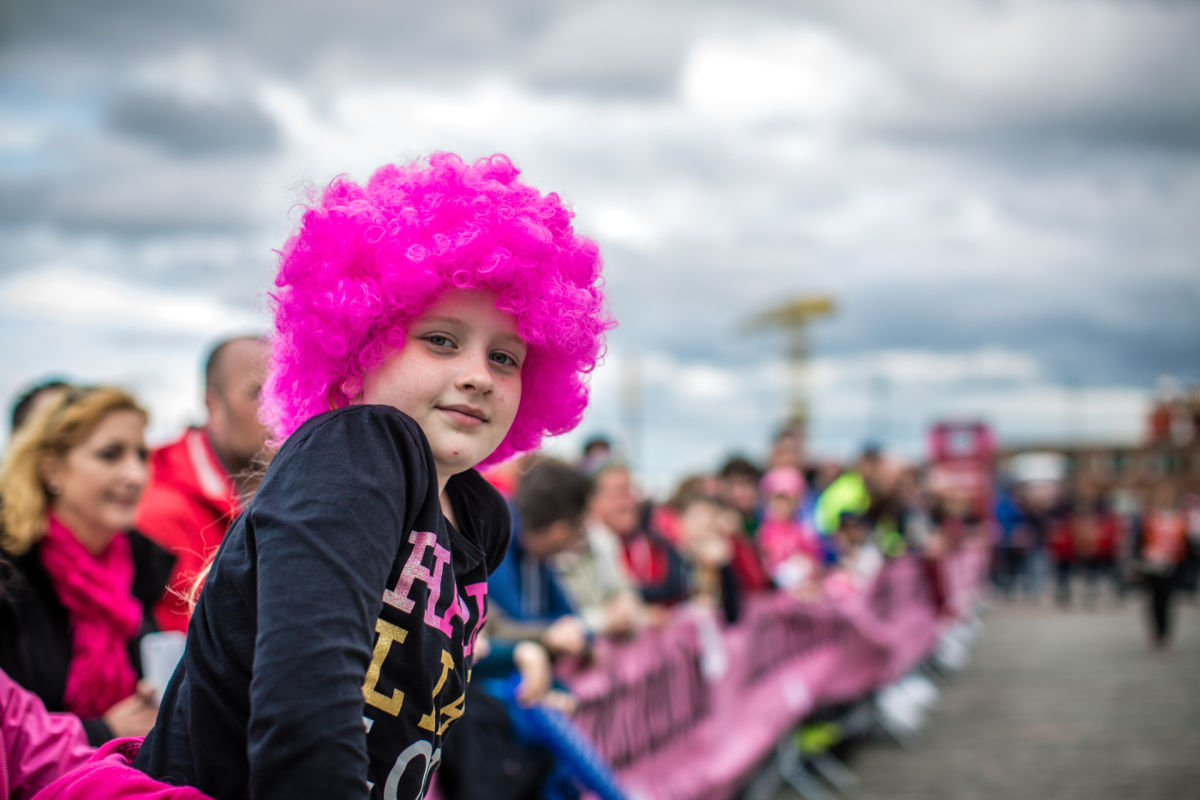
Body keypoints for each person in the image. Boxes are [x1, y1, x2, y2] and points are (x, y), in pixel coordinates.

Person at [134, 152, 611, 800]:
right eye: (440, 340)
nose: (478, 375)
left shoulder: (481, 518)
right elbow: (305, 709)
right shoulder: (358, 447)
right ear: (360, 350)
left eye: (505, 357)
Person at [0, 386, 174, 745]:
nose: (135, 475)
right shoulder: (10, 572)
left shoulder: (143, 564)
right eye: (110, 455)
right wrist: (102, 732)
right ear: (51, 468)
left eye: (141, 455)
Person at [135, 335, 270, 632]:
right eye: (258, 393)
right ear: (214, 405)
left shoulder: (281, 486)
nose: (277, 410)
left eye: (284, 391)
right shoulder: (160, 507)